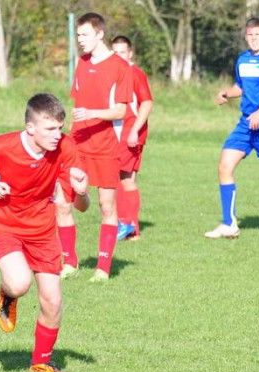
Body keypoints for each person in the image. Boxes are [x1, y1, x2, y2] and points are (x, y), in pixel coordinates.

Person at [0, 93, 89, 372]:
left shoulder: (66, 146)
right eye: (50, 129)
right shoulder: (1, 146)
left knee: (52, 301)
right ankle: (8, 293)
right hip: (3, 223)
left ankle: (41, 363)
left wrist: (83, 191)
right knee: (19, 283)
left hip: (42, 229)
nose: (57, 135)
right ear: (30, 127)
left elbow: (81, 207)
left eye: (60, 128)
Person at [57, 12, 133, 281]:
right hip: (77, 144)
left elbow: (121, 111)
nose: (80, 40)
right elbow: (78, 105)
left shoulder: (120, 67)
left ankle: (102, 268)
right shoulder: (81, 63)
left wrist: (92, 114)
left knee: (106, 206)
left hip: (106, 146)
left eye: (85, 35)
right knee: (63, 203)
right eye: (78, 35)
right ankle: (70, 262)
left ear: (100, 34)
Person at [205, 17, 259, 242]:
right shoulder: (242, 60)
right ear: (246, 37)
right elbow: (241, 86)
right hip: (245, 124)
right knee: (224, 165)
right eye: (250, 35)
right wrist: (227, 93)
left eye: (257, 35)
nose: (254, 39)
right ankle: (229, 224)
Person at [111, 35, 154, 241]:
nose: (118, 56)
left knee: (124, 179)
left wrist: (135, 130)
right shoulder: (114, 74)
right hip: (117, 132)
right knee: (120, 178)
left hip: (130, 132)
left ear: (130, 53)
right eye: (114, 52)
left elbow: (147, 103)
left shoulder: (135, 73)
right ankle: (126, 225)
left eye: (122, 52)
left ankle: (131, 228)